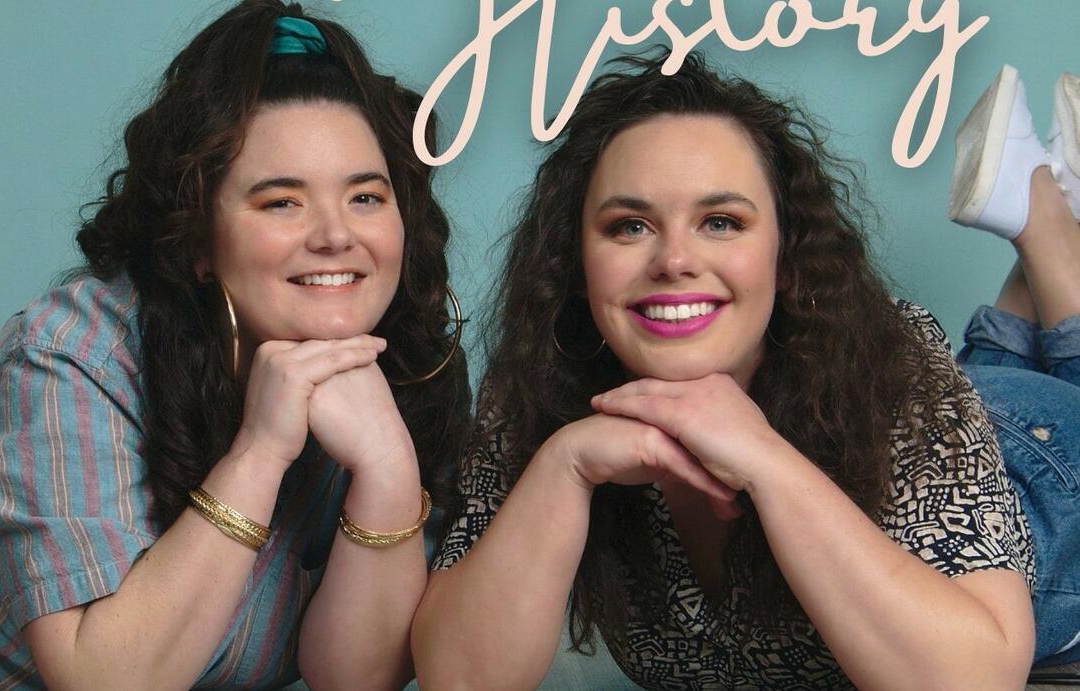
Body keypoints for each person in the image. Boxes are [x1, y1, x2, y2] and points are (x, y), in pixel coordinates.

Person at [411, 52, 1080, 690]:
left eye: (721, 221)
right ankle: (1032, 260)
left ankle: (1045, 220)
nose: (674, 260)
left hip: (1037, 458)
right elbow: (462, 678)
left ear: (787, 258)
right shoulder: (538, 391)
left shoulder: (889, 370)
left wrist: (763, 456)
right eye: (630, 226)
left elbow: (971, 678)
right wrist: (566, 466)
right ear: (577, 265)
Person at [0, 2, 469, 689]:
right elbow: (104, 677)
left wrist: (387, 470)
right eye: (281, 201)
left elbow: (355, 679)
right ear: (199, 239)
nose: (335, 235)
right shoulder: (66, 354)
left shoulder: (414, 364)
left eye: (366, 197)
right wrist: (261, 451)